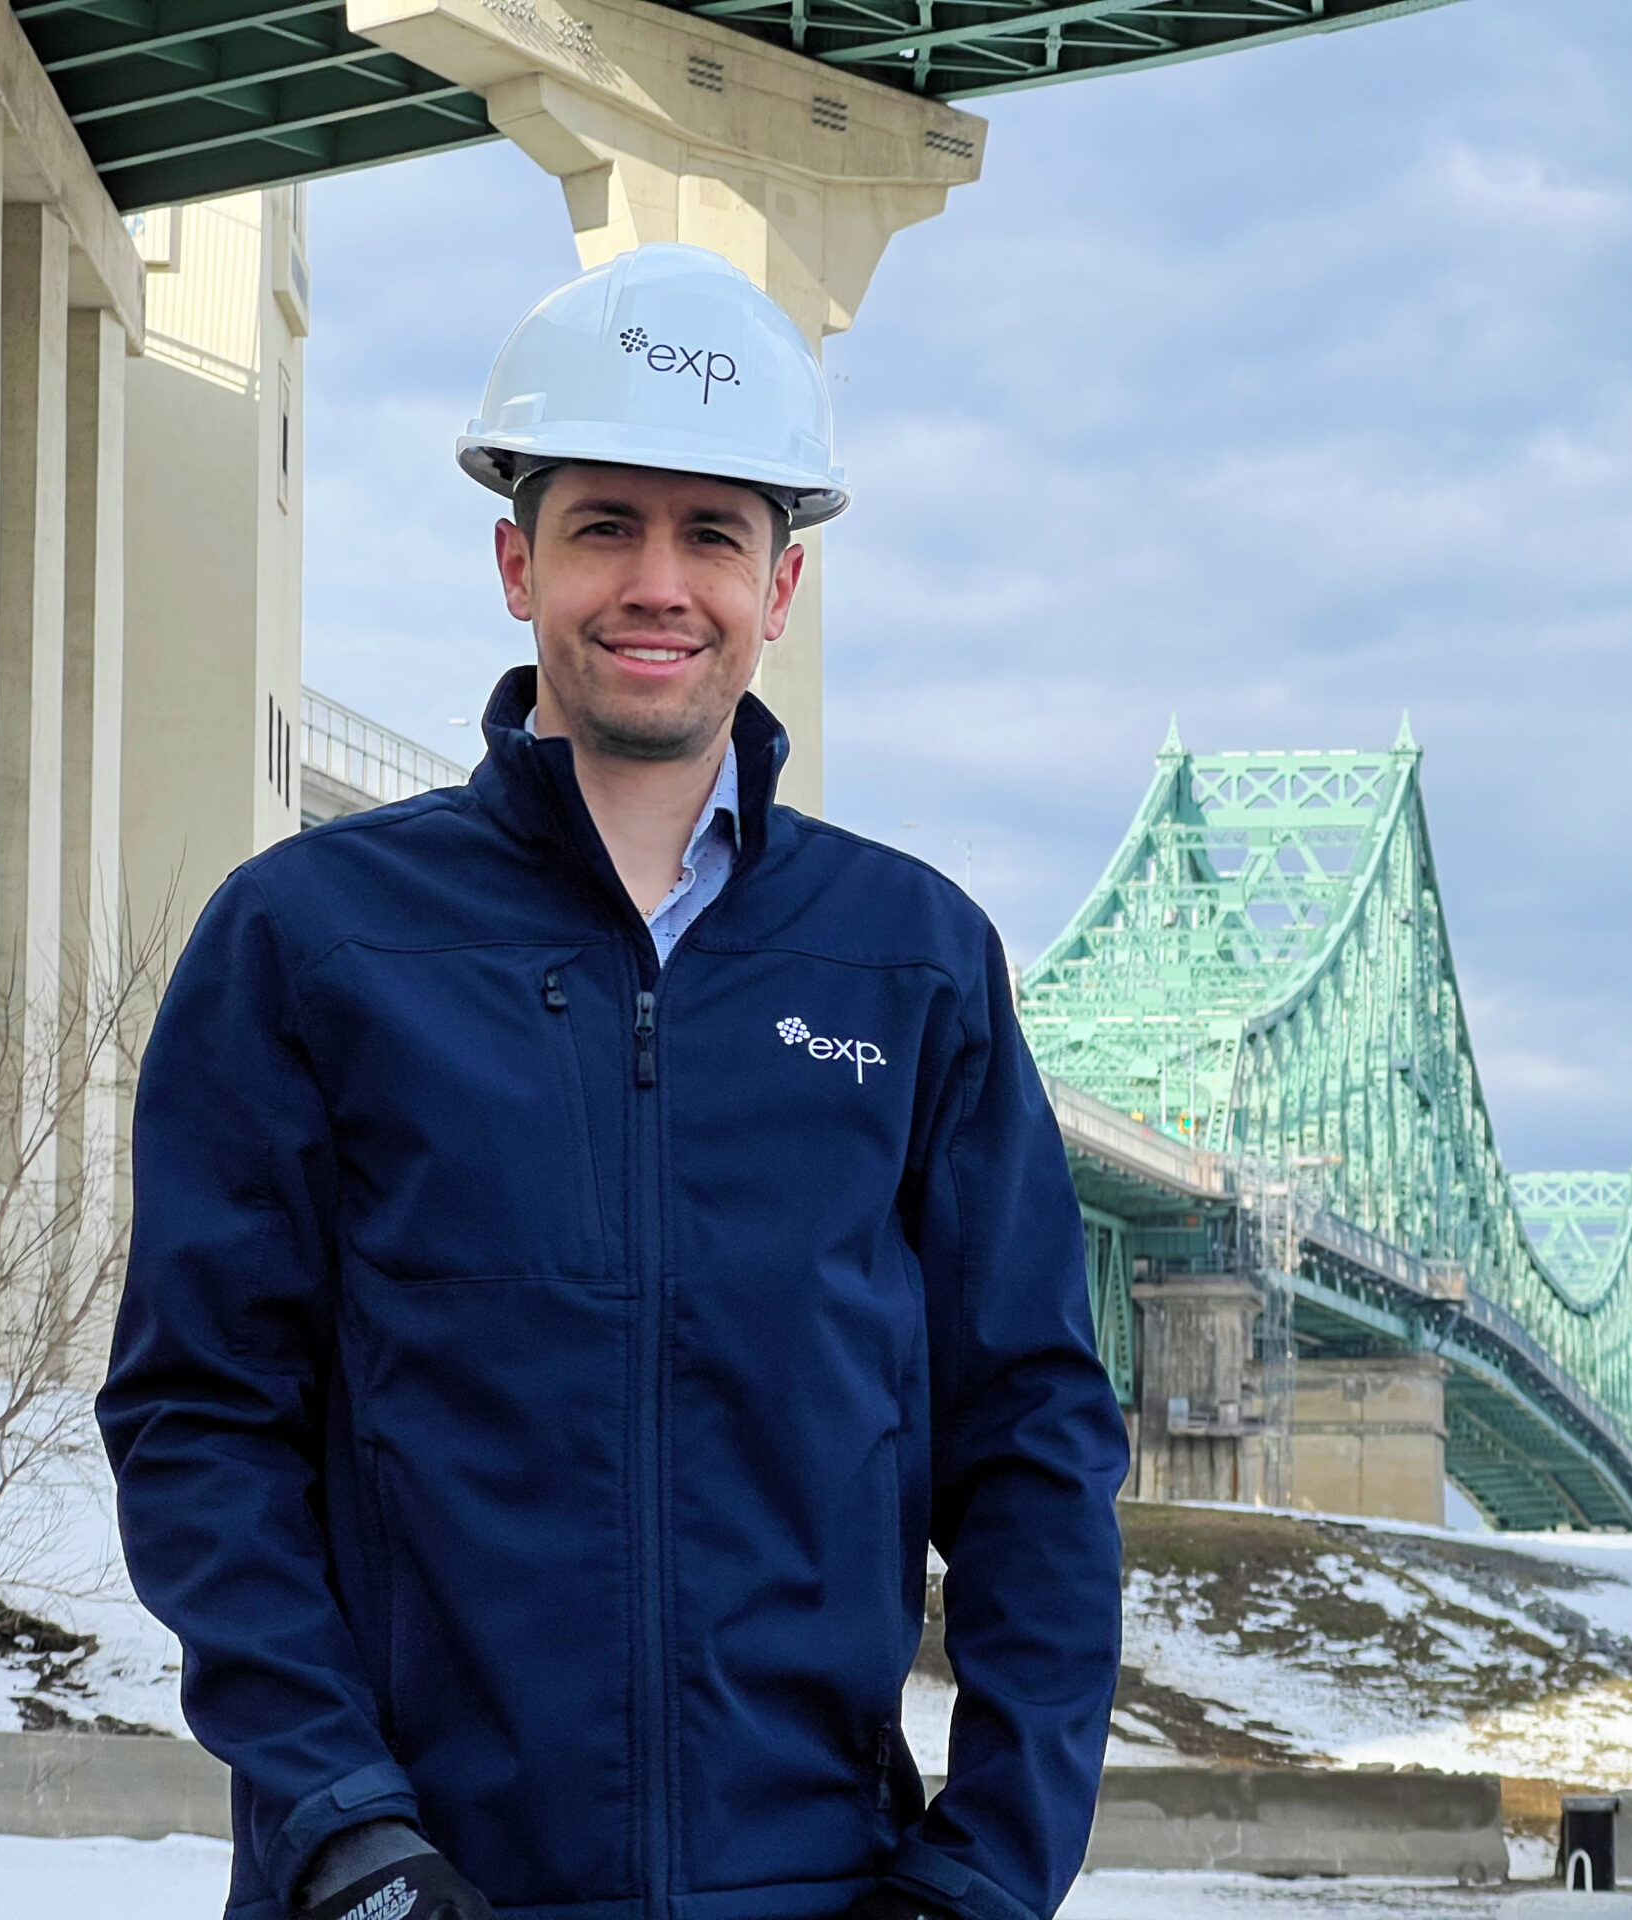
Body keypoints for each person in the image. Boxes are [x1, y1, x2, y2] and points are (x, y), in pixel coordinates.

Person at [99, 243, 1130, 1920]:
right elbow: (200, 1422)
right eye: (605, 527)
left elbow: (1034, 1449)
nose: (660, 582)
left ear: (779, 585)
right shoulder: (311, 942)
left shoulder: (914, 963)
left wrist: (987, 1878)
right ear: (517, 563)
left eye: (713, 533)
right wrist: (343, 1830)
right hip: (413, 1884)